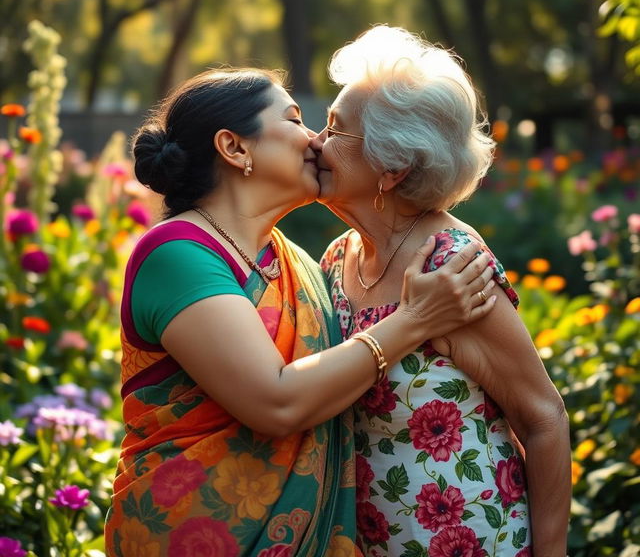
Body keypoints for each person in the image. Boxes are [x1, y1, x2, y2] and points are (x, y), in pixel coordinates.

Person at [103, 68, 498, 556]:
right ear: (235, 148)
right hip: (193, 533)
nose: (316, 139)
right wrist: (416, 320)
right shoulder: (179, 254)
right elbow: (276, 403)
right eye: (294, 119)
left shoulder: (296, 263)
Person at [314, 26, 571, 557]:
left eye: (336, 131)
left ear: (393, 166)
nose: (315, 142)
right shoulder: (337, 258)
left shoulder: (451, 262)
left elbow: (543, 418)